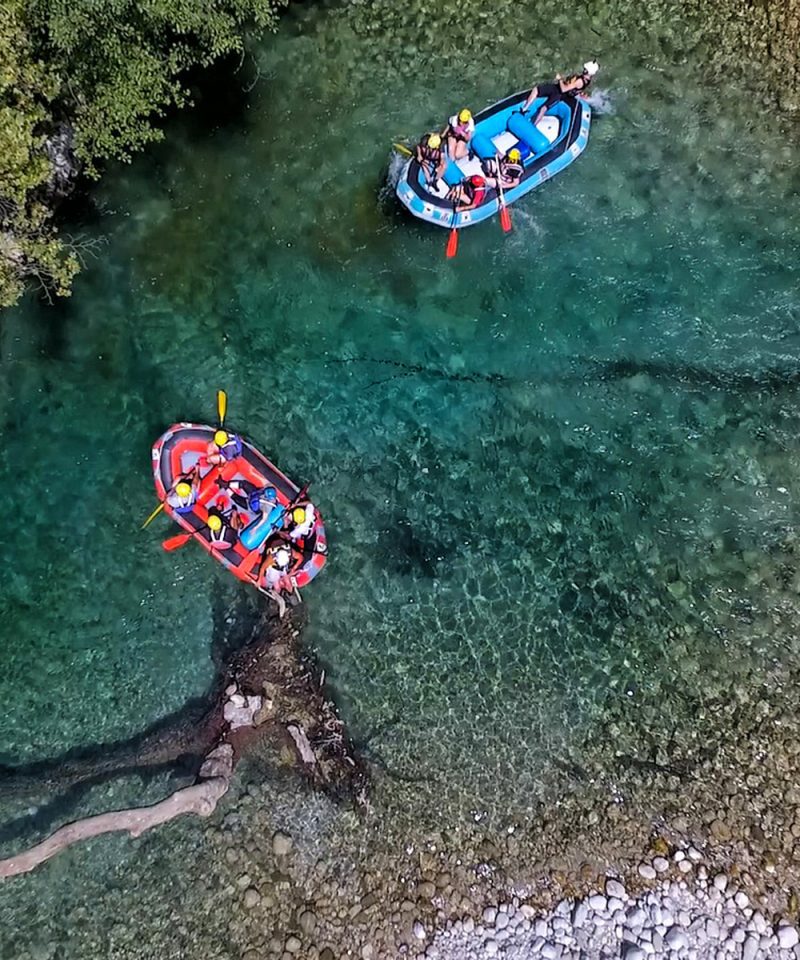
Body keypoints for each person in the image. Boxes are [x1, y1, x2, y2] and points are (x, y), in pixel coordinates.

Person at [521, 60, 599, 126]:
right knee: (536, 90)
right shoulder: (587, 80)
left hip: (561, 94)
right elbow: (576, 88)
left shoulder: (580, 81)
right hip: (557, 88)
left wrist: (560, 79)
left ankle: (533, 125)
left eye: (585, 69)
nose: (583, 69)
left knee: (543, 108)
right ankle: (525, 108)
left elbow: (563, 89)